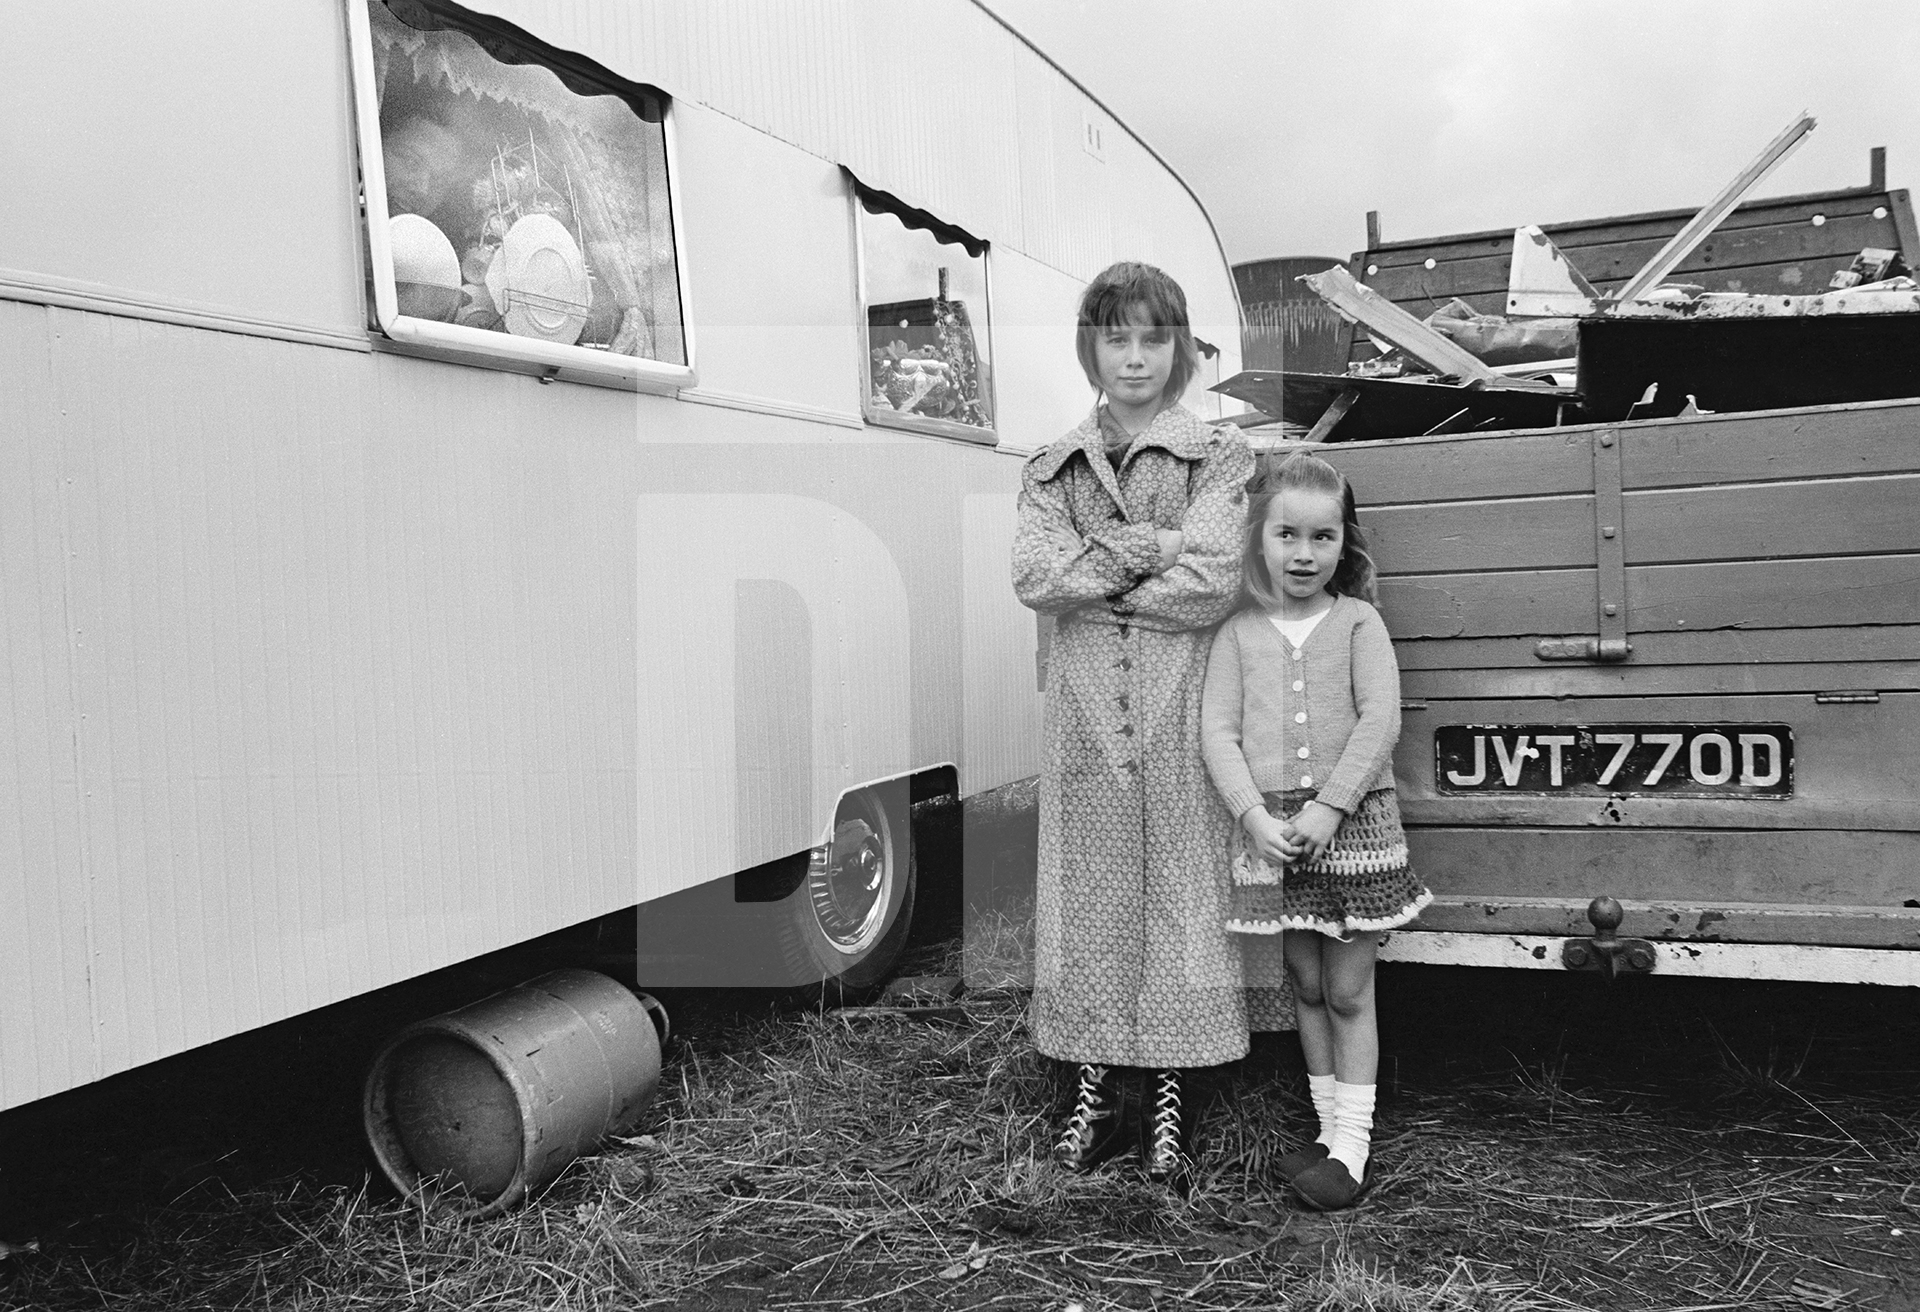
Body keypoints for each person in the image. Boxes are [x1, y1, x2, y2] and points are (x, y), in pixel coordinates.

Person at [1012, 261, 1289, 1192]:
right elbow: (1034, 579)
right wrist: (1152, 547)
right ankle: (1092, 1081)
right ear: (1090, 346)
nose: (1134, 357)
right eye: (1115, 337)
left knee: (1182, 878)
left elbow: (1214, 580)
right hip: (1086, 713)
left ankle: (1171, 1085)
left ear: (1178, 349)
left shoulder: (1221, 456)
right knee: (1089, 881)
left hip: (1183, 705)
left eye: (1152, 339)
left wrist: (1103, 571)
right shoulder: (1050, 464)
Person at [1199, 452, 1430, 1210]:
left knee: (1347, 988)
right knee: (1303, 981)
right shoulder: (1236, 632)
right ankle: (1328, 1135)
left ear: (1343, 543)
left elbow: (1379, 720)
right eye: (1288, 536)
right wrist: (1254, 816)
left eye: (1322, 538)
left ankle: (1354, 1150)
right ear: (1258, 541)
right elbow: (1218, 732)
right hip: (1276, 836)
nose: (1304, 554)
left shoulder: (1359, 622)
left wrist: (1329, 807)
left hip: (1354, 828)